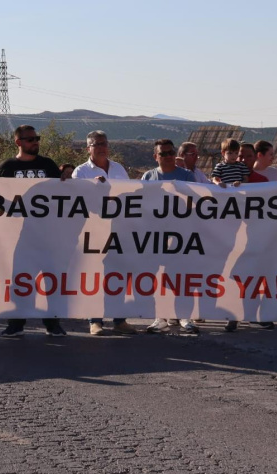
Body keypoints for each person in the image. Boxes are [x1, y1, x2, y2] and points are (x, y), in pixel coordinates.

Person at [0, 125, 66, 337]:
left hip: (48, 235)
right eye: (29, 139)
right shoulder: (7, 167)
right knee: (21, 279)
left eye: (37, 138)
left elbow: (64, 193)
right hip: (20, 235)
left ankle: (53, 323)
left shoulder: (48, 165)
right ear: (18, 142)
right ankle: (16, 323)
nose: (35, 142)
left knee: (50, 279)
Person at [72, 131, 136, 335]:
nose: (101, 147)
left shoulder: (118, 169)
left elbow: (128, 196)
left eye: (104, 143)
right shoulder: (81, 172)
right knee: (95, 276)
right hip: (93, 231)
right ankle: (95, 320)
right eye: (96, 144)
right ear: (88, 148)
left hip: (118, 229)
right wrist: (94, 188)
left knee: (117, 274)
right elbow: (76, 201)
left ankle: (119, 320)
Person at [141, 139, 199, 334]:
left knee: (182, 276)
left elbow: (198, 201)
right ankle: (161, 317)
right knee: (158, 277)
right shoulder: (148, 177)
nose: (167, 156)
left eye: (170, 152)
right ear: (155, 156)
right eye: (163, 153)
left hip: (181, 234)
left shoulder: (187, 176)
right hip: (156, 235)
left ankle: (185, 316)